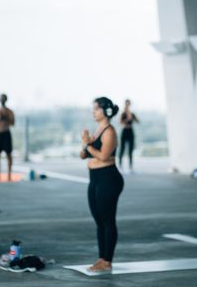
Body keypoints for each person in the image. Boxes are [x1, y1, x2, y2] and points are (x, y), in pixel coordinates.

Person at [80, 97, 123, 272]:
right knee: (99, 222)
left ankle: (108, 261)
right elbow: (86, 154)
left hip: (108, 179)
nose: (93, 112)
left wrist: (87, 144)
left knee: (108, 220)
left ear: (105, 111)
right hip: (95, 178)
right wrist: (86, 147)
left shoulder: (109, 131)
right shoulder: (98, 130)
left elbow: (103, 156)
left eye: (96, 109)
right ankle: (102, 258)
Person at [118, 99, 139, 172]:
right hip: (124, 131)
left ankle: (130, 166)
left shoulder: (132, 114)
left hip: (130, 131)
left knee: (131, 149)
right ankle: (120, 165)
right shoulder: (123, 114)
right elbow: (120, 122)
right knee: (122, 149)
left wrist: (132, 117)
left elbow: (137, 121)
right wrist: (127, 119)